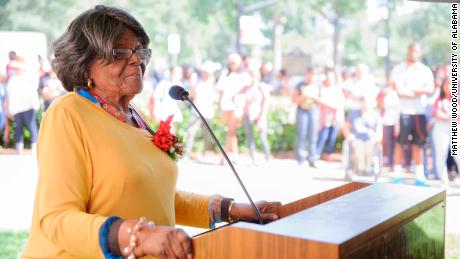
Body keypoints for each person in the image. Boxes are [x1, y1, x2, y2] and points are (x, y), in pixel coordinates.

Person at [23, 6, 281, 259]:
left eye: (138, 51)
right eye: (120, 52)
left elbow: (160, 197)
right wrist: (140, 236)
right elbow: (56, 218)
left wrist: (233, 210)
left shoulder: (135, 116)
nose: (136, 59)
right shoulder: (68, 113)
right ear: (85, 64)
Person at [391, 43, 434, 186]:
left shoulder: (424, 70)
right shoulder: (398, 69)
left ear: (419, 52)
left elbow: (430, 88)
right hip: (403, 112)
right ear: (408, 51)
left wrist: (414, 91)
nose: (414, 53)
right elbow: (398, 90)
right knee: (400, 143)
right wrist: (409, 93)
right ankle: (397, 176)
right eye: (412, 50)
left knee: (418, 144)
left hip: (419, 113)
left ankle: (419, 177)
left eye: (417, 51)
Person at [5, 57, 40, 153]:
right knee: (18, 127)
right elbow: (9, 95)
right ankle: (19, 146)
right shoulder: (12, 80)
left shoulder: (28, 76)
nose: (16, 69)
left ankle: (34, 146)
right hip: (16, 108)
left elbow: (35, 82)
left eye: (17, 67)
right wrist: (8, 109)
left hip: (28, 106)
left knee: (32, 126)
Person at [316, 68, 345, 162]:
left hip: (335, 118)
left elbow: (340, 103)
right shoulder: (323, 89)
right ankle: (316, 154)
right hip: (325, 118)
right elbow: (320, 102)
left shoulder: (337, 89)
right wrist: (332, 105)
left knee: (332, 137)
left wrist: (333, 107)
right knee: (322, 136)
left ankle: (328, 155)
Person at [292, 68, 320, 166]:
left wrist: (315, 98)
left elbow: (321, 100)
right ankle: (300, 158)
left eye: (314, 74)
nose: (311, 76)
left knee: (313, 136)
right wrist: (304, 96)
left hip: (313, 111)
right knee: (301, 135)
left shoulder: (318, 86)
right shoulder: (300, 85)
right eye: (310, 74)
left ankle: (312, 159)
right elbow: (294, 99)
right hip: (302, 111)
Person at [431, 78, 452, 185]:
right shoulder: (438, 99)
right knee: (441, 153)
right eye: (447, 84)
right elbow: (438, 114)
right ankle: (443, 181)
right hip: (440, 128)